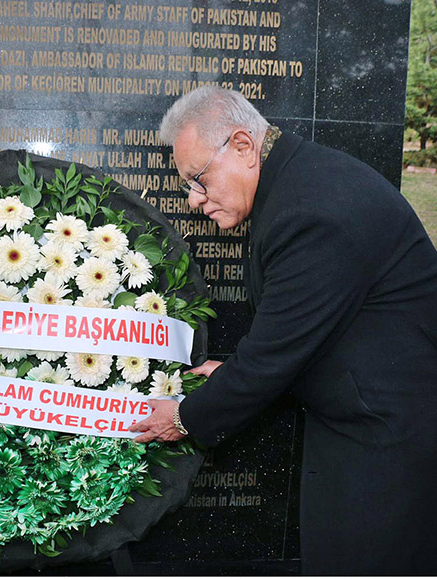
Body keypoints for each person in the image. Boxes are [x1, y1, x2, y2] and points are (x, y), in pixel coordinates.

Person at [131, 85, 437, 574]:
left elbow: (275, 355)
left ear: (243, 147)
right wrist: (233, 370)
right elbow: (308, 327)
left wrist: (184, 416)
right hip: (360, 422)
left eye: (198, 180)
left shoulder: (308, 211)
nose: (193, 200)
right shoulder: (297, 184)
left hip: (386, 442)